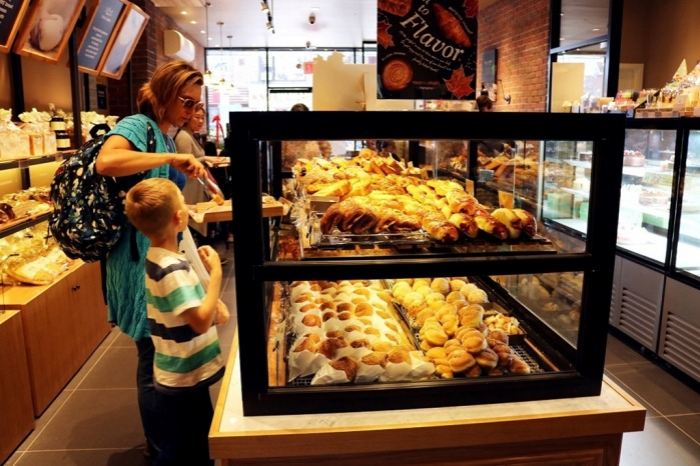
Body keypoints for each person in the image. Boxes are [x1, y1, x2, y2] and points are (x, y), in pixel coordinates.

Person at [95, 59, 207, 462]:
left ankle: (171, 441)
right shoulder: (136, 125)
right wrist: (168, 161)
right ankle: (162, 451)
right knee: (151, 353)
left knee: (162, 348)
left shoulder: (165, 135)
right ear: (164, 92)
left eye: (196, 103)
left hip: (157, 253)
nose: (192, 110)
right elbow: (106, 162)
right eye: (186, 101)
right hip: (136, 256)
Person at [125, 177, 229, 466]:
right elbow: (198, 320)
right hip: (184, 374)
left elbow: (188, 308)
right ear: (179, 217)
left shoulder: (161, 257)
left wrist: (210, 303)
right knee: (182, 449)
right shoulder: (171, 268)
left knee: (194, 440)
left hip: (182, 371)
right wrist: (215, 276)